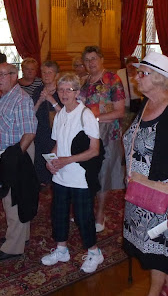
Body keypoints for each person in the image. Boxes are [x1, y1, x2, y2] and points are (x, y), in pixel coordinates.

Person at [122, 52, 168, 296]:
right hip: (141, 188)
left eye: (142, 73)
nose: (136, 78)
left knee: (157, 247)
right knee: (147, 243)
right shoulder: (147, 103)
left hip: (165, 193)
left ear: (160, 79)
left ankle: (156, 291)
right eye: (137, 72)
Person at [40, 73, 104, 274]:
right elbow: (58, 144)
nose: (64, 93)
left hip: (80, 177)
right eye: (61, 90)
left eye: (69, 89)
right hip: (61, 175)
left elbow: (95, 150)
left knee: (84, 216)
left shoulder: (86, 115)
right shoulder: (59, 115)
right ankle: (61, 250)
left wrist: (67, 160)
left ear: (77, 92)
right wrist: (51, 161)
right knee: (58, 213)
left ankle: (94, 252)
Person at [0, 62, 37, 261]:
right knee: (17, 196)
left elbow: (29, 131)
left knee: (13, 200)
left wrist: (15, 156)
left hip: (17, 152)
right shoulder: (7, 96)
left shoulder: (21, 98)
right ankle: (21, 236)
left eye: (3, 75)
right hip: (9, 152)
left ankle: (13, 247)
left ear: (14, 75)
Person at [79, 45, 125, 232]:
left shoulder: (113, 80)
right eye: (87, 60)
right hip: (86, 133)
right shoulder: (84, 81)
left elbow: (120, 111)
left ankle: (100, 214)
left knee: (104, 174)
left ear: (101, 59)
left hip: (108, 132)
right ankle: (87, 210)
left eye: (93, 58)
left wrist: (94, 118)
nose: (90, 63)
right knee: (87, 172)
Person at [31, 60, 62, 185]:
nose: (46, 75)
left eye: (50, 72)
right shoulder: (38, 90)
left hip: (57, 135)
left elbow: (67, 115)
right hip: (40, 133)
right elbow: (31, 112)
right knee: (40, 162)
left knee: (54, 162)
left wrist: (50, 99)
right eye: (44, 72)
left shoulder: (62, 91)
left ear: (57, 75)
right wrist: (40, 100)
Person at [117, 56, 143, 131]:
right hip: (123, 103)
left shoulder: (139, 74)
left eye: (133, 66)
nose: (131, 68)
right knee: (124, 125)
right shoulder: (120, 73)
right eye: (129, 66)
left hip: (136, 103)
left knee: (134, 125)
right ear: (126, 65)